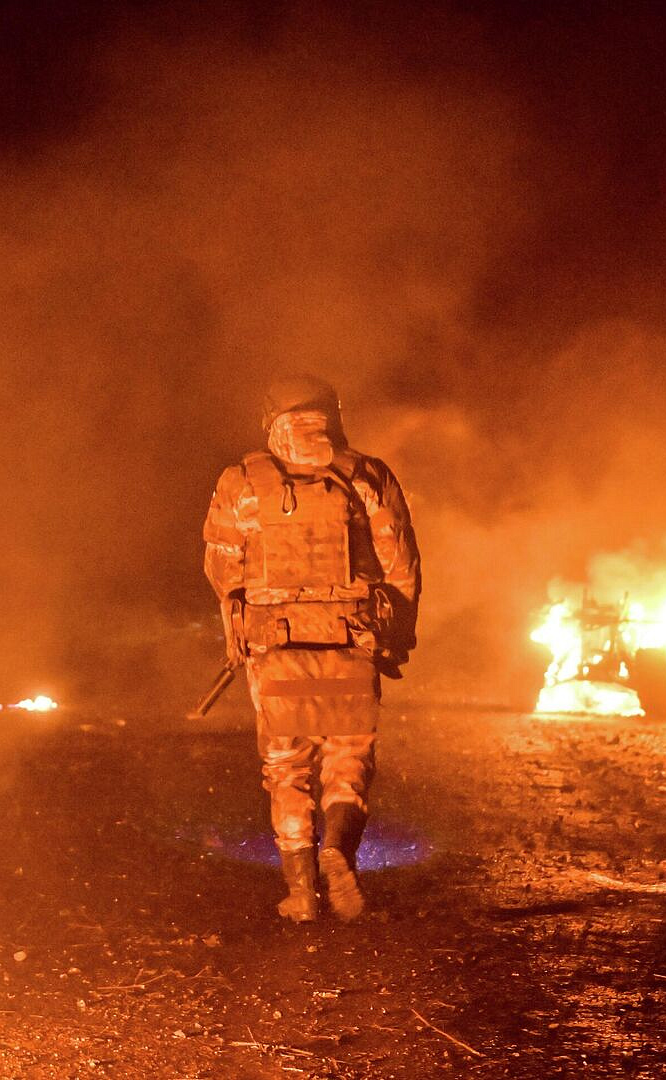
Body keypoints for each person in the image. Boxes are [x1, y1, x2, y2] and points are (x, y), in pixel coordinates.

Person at [201, 375, 421, 922]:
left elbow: (223, 569)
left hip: (275, 647)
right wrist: (398, 638)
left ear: (272, 419)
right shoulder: (366, 475)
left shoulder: (240, 482)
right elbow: (401, 567)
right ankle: (337, 854)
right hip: (351, 639)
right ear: (331, 416)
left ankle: (300, 891)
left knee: (286, 767)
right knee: (348, 759)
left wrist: (244, 635)